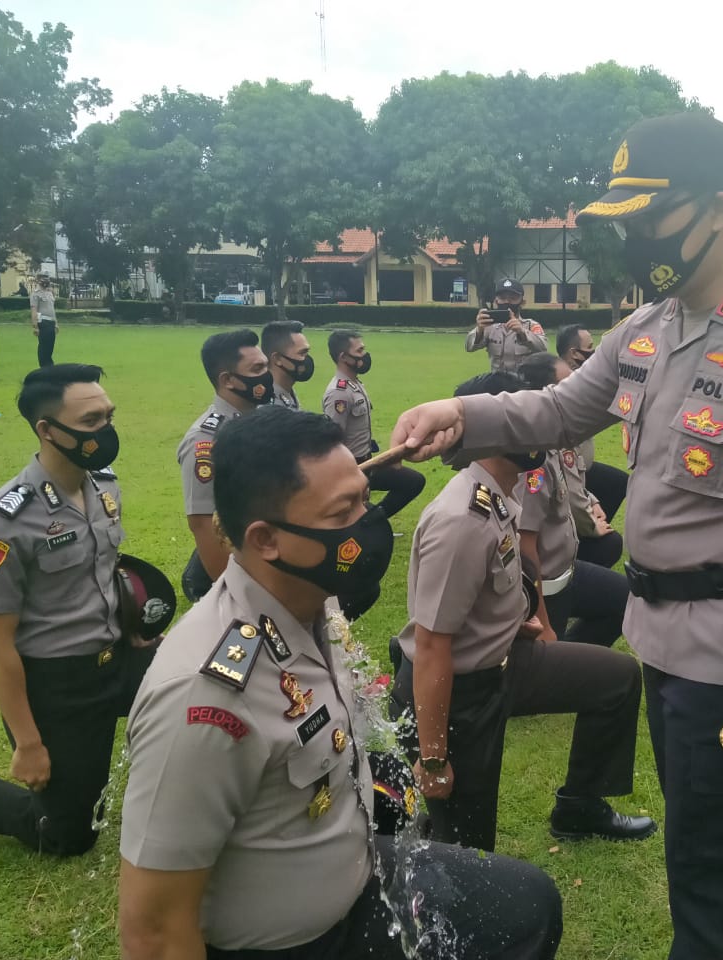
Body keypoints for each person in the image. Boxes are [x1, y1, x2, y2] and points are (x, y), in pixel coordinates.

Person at [389, 112, 723, 960]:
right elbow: (562, 408)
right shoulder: (653, 323)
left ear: (717, 209)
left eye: (649, 217)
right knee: (697, 849)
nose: (634, 239)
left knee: (721, 870)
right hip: (664, 639)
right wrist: (462, 412)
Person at [119, 406, 562, 960]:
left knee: (529, 904)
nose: (368, 522)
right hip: (299, 942)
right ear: (266, 539)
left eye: (364, 495)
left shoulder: (305, 598)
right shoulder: (204, 696)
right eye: (343, 512)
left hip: (356, 870)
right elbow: (154, 930)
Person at [389, 371, 656, 853]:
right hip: (459, 691)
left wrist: (521, 623)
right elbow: (431, 647)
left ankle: (579, 805)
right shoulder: (463, 520)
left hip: (508, 658)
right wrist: (432, 759)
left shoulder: (501, 493)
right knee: (468, 846)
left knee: (617, 680)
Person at [0, 364, 163, 855]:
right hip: (58, 685)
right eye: (91, 423)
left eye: (109, 417)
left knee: (204, 692)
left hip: (119, 657)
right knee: (67, 835)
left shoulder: (103, 486)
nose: (106, 431)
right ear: (47, 430)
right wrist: (28, 742)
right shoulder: (2, 524)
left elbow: (104, 571)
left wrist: (130, 627)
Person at [516, 353, 631, 645]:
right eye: (568, 388)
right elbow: (525, 544)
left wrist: (590, 502)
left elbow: (574, 484)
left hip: (566, 571)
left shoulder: (556, 441)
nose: (578, 396)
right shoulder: (532, 461)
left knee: (625, 598)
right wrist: (541, 619)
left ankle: (570, 655)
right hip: (548, 586)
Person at [177, 329, 274, 602]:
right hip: (231, 566)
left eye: (266, 365)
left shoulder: (262, 420)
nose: (267, 375)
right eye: (257, 368)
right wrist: (238, 594)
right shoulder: (206, 440)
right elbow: (202, 522)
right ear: (228, 379)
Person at [323, 329, 425, 519]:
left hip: (370, 462)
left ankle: (375, 520)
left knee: (413, 481)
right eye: (360, 351)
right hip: (354, 467)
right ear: (344, 357)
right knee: (355, 516)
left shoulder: (354, 383)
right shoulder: (339, 392)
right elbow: (333, 440)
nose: (365, 355)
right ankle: (369, 523)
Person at [556, 323, 629, 563]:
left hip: (580, 468)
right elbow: (567, 480)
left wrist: (592, 502)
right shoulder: (566, 387)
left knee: (616, 482)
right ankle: (582, 540)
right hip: (570, 469)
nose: (594, 352)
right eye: (589, 348)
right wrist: (589, 517)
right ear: (574, 354)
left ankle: (586, 529)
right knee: (610, 544)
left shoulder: (589, 378)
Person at [464, 278, 548, 373]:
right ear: (496, 301)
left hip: (523, 383)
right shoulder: (489, 326)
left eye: (513, 298)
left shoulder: (531, 325)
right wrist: (479, 330)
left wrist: (522, 333)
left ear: (522, 302)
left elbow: (543, 348)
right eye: (502, 298)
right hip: (497, 382)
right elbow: (469, 348)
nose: (507, 302)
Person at [262, 319, 314, 410]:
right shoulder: (270, 408)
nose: (307, 358)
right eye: (302, 353)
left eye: (307, 352)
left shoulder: (287, 392)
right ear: (277, 358)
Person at [30, 274, 58, 368]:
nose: (46, 280)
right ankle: (44, 367)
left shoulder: (49, 293)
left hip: (51, 322)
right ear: (38, 280)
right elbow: (34, 310)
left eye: (47, 278)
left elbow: (52, 310)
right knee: (44, 347)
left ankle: (49, 366)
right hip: (43, 322)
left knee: (50, 346)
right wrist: (35, 326)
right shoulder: (35, 294)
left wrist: (56, 323)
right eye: (43, 278)